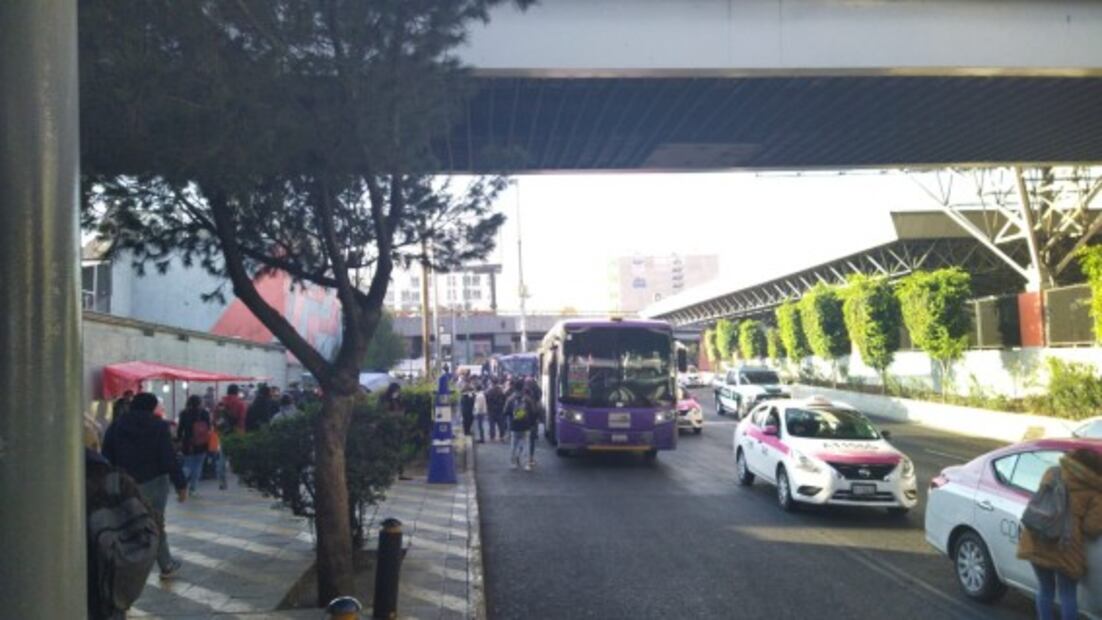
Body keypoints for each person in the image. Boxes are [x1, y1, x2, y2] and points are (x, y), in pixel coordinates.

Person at [101, 392, 188, 579]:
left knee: (126, 522)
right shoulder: (158, 426)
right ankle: (166, 565)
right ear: (151, 407)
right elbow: (168, 457)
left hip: (125, 481)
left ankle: (124, 566)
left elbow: (106, 456)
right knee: (155, 522)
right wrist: (181, 485)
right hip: (155, 481)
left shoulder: (117, 426)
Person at [1017, 448, 1102, 620]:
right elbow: (1091, 528)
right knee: (1067, 595)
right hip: (1066, 547)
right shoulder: (1095, 491)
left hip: (1038, 538)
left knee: (1045, 589)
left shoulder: (1052, 472)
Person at [176, 395, 212, 496]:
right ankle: (193, 489)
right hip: (202, 442)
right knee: (198, 466)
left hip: (188, 442)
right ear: (200, 403)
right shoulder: (204, 413)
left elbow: (180, 429)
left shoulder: (184, 413)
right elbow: (209, 427)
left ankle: (180, 484)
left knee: (187, 465)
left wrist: (179, 440)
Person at [508, 387, 541, 471]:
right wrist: (532, 423)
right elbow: (534, 413)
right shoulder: (528, 400)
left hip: (514, 426)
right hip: (526, 426)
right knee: (526, 445)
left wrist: (513, 417)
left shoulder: (511, 399)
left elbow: (505, 411)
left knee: (513, 445)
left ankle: (513, 463)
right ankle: (526, 464)